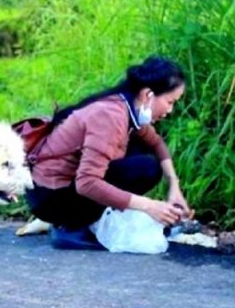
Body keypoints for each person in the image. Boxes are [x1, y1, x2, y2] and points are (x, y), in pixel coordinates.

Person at [25, 56, 193, 250]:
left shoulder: (129, 107)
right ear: (148, 94)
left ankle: (86, 220)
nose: (170, 110)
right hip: (50, 198)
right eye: (170, 102)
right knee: (146, 168)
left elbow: (156, 143)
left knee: (142, 153)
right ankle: (70, 227)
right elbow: (87, 183)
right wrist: (149, 206)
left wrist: (174, 186)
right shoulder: (110, 116)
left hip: (59, 189)